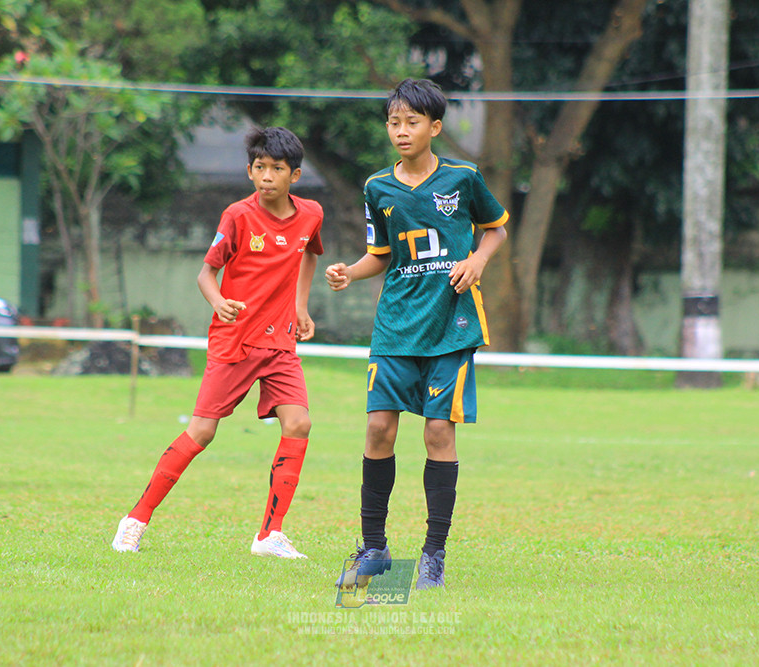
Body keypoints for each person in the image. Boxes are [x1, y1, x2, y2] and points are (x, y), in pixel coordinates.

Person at [325, 78, 508, 589]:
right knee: (379, 428)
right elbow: (380, 255)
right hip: (395, 326)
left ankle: (433, 555)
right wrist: (350, 273)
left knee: (437, 432)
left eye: (411, 122)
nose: (401, 131)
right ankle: (374, 549)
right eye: (393, 122)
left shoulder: (462, 178)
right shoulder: (377, 187)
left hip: (451, 325)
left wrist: (477, 260)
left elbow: (495, 228)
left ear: (435, 127)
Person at [112, 126, 324, 557]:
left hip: (280, 344)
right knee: (202, 431)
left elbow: (309, 254)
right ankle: (134, 520)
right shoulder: (237, 216)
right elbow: (206, 274)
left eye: (276, 169)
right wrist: (219, 301)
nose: (267, 177)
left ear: (295, 175)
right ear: (249, 171)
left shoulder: (311, 214)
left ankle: (269, 535)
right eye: (260, 168)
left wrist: (300, 307)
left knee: (299, 423)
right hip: (235, 341)